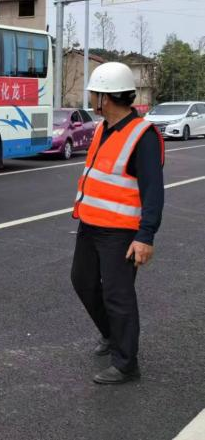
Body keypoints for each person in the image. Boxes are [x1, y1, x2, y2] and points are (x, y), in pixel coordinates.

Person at [70, 62, 164, 385]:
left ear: (105, 99)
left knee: (118, 294)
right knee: (82, 281)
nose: (92, 99)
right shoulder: (102, 129)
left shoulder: (143, 136)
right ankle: (112, 334)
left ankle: (126, 364)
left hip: (121, 232)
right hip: (91, 225)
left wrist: (145, 235)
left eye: (94, 94)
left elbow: (153, 191)